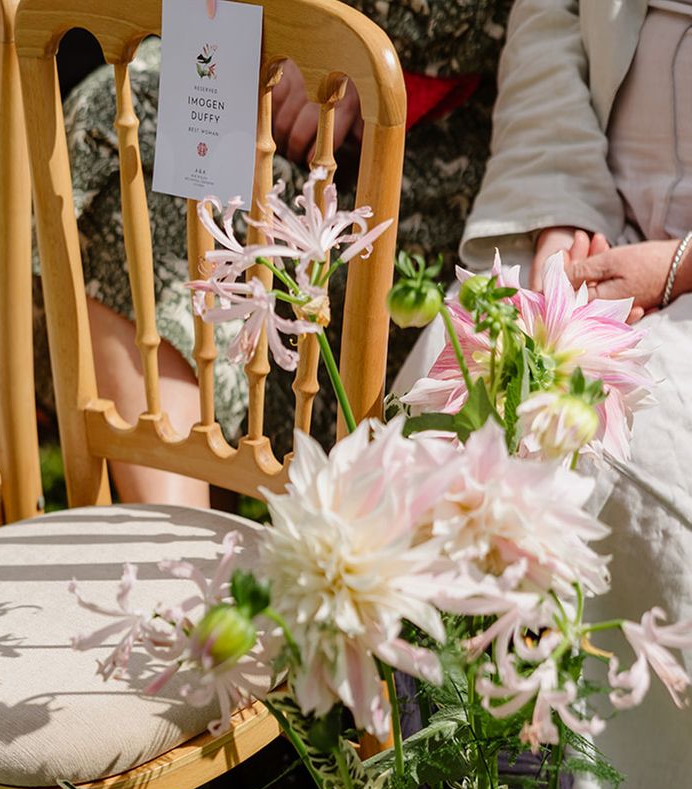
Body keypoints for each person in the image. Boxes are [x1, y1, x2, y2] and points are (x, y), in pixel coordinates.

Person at [398, 0, 692, 789]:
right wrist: (559, 207)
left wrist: (681, 265)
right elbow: (551, 22)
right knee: (446, 416)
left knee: (630, 459)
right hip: (598, 233)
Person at [45, 0, 515, 504]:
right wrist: (281, 34)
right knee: (124, 118)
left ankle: (201, 523)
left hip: (421, 135)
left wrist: (344, 53)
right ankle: (169, 525)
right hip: (263, 55)